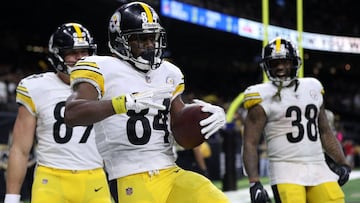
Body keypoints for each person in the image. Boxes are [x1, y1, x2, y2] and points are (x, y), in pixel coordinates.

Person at [64, 2, 229, 203]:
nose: (150, 45)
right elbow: (71, 114)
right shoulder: (101, 67)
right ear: (120, 41)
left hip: (171, 171)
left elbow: (182, 136)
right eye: (141, 39)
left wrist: (205, 117)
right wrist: (120, 103)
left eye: (152, 38)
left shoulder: (169, 73)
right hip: (129, 175)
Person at [4, 23, 112, 203]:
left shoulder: (106, 85)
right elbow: (20, 150)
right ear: (57, 55)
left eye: (84, 52)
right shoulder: (36, 87)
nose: (80, 58)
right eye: (72, 52)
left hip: (95, 179)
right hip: (51, 180)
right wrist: (12, 197)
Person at [242, 37, 352, 203]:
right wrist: (254, 182)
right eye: (275, 63)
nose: (280, 67)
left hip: (318, 166)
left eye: (285, 62)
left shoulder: (312, 87)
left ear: (294, 62)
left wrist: (342, 162)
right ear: (266, 66)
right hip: (285, 169)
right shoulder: (260, 95)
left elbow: (325, 131)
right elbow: (250, 142)